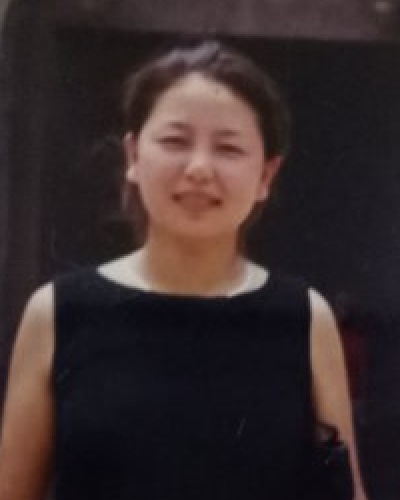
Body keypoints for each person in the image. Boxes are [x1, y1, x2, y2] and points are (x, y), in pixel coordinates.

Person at [0, 40, 368, 500]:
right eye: (175, 141)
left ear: (266, 176)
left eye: (228, 148)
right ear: (133, 157)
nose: (199, 168)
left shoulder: (305, 317)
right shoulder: (59, 311)